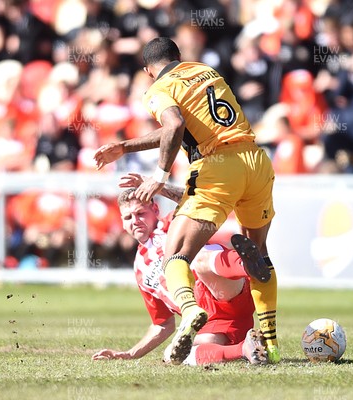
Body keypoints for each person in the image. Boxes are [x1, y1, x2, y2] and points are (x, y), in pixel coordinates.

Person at [93, 37, 279, 364]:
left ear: (149, 71)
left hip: (218, 164)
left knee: (175, 254)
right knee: (260, 256)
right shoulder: (205, 71)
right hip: (255, 159)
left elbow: (174, 124)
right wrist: (125, 147)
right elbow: (176, 129)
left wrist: (159, 176)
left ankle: (191, 310)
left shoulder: (158, 88)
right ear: (177, 57)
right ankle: (270, 344)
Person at [92, 186, 268, 366]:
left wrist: (159, 186)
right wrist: (129, 354)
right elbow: (162, 324)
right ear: (121, 221)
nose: (135, 221)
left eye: (140, 213)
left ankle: (248, 265)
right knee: (172, 354)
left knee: (198, 260)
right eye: (128, 217)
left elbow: (198, 201)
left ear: (155, 210)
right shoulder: (139, 270)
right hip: (213, 323)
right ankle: (245, 348)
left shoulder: (171, 224)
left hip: (225, 292)